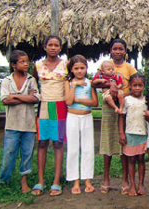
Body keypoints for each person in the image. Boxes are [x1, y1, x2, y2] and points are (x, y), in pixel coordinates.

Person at [96, 39, 137, 194]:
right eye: (115, 49)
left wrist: (120, 91)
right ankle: (106, 179)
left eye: (121, 49)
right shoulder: (103, 65)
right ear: (111, 50)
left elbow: (136, 85)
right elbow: (95, 82)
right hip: (108, 108)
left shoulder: (129, 68)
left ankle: (125, 179)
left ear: (125, 51)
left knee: (123, 143)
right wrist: (109, 85)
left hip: (124, 107)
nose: (118, 51)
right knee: (107, 142)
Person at [0, 50, 40, 193]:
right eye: (22, 62)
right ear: (14, 64)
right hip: (12, 124)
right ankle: (4, 181)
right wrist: (25, 97)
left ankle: (24, 181)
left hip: (29, 124)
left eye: (27, 61)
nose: (26, 64)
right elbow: (5, 100)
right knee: (9, 153)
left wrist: (15, 96)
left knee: (27, 154)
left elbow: (35, 98)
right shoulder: (6, 81)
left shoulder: (31, 80)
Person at [31, 35, 68, 196]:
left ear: (60, 48)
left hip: (59, 106)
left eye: (56, 45)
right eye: (50, 45)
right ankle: (40, 181)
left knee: (58, 143)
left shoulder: (66, 64)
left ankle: (56, 181)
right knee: (42, 143)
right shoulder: (38, 65)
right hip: (44, 106)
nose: (53, 47)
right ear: (44, 47)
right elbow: (33, 83)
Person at [65, 55, 98, 194]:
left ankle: (87, 180)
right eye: (76, 68)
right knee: (73, 149)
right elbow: (68, 101)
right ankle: (75, 181)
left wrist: (77, 99)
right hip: (72, 117)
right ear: (71, 70)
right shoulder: (68, 83)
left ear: (86, 68)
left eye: (82, 68)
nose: (79, 71)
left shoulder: (90, 83)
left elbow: (95, 103)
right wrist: (74, 86)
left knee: (88, 148)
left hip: (87, 117)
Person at [119, 74, 147, 196]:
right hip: (130, 133)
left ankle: (141, 184)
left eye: (140, 85)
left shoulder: (146, 101)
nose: (137, 88)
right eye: (134, 85)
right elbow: (121, 117)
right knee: (131, 159)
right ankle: (132, 185)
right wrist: (121, 133)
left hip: (143, 134)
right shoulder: (126, 100)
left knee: (141, 159)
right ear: (130, 86)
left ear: (143, 86)